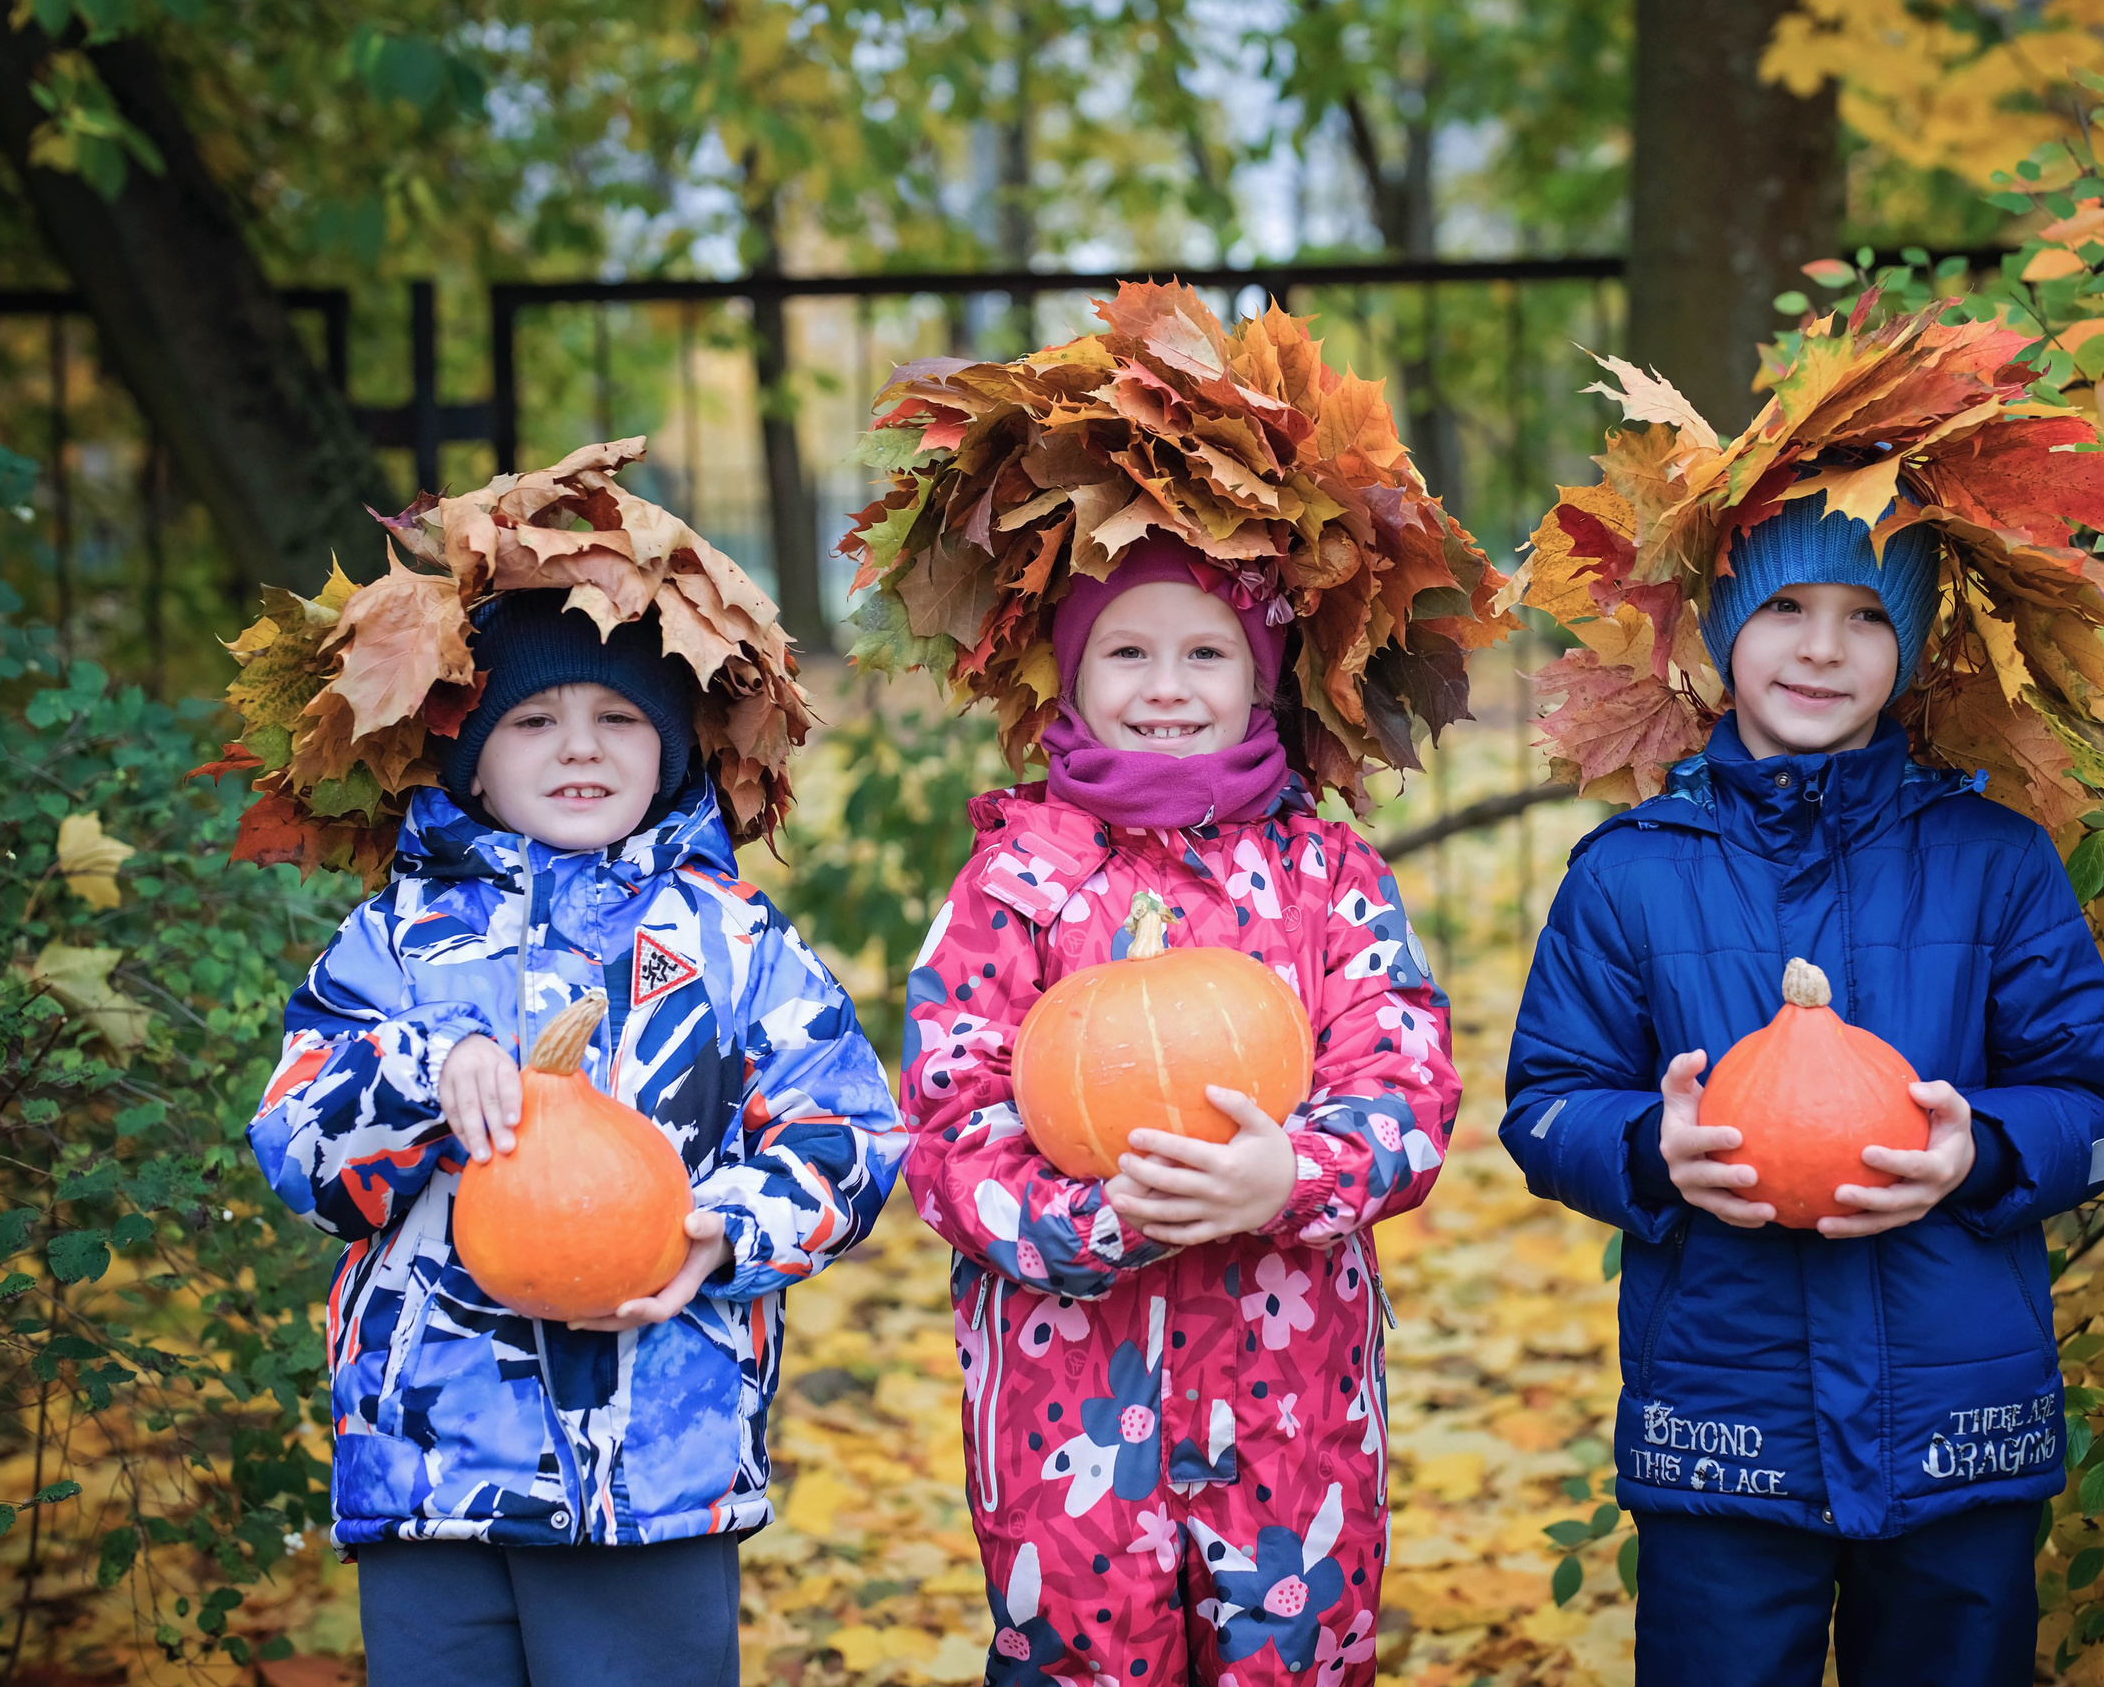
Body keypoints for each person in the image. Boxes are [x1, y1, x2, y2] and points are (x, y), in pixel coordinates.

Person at [1501, 494, 2104, 1686]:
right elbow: (1546, 1103)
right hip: (1726, 1420)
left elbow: (2093, 1102)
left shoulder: (1994, 861)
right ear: (1720, 631)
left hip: (1960, 1422)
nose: (1821, 648)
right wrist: (1649, 1149)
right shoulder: (1633, 874)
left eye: (1863, 616)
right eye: (1784, 608)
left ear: (1906, 647)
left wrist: (1982, 1152)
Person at [248, 590, 905, 1687]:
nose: (581, 748)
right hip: (430, 1464)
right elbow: (301, 1151)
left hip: (658, 1466)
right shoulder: (397, 946)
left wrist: (721, 1235)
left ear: (670, 749)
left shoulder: (732, 940)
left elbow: (847, 1130)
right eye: (533, 720)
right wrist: (421, 1070)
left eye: (620, 716)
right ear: (469, 758)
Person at [903, 544, 1458, 1687]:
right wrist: (1102, 1217)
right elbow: (949, 1117)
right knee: (1085, 1658)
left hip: (1292, 1390)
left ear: (1262, 680)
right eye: (1127, 652)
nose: (1165, 686)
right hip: (1069, 1407)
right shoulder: (1014, 881)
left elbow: (1404, 1074)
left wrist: (1291, 1176)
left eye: (1205, 653)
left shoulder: (1326, 872)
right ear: (1071, 674)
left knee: (1292, 1656)